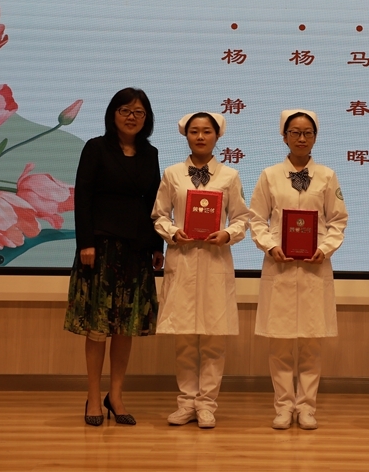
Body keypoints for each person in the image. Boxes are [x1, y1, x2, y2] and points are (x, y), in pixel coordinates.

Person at [64, 87, 164, 426]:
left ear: (147, 118)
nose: (132, 117)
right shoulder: (96, 148)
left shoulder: (150, 153)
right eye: (125, 110)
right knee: (98, 327)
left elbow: (155, 202)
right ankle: (93, 396)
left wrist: (157, 245)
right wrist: (86, 243)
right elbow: (83, 197)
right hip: (101, 249)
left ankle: (116, 395)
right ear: (113, 114)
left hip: (137, 250)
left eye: (139, 112)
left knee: (126, 327)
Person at [249, 110, 348, 431]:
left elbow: (338, 220)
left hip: (314, 268)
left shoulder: (328, 176)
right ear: (284, 137)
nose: (302, 138)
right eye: (295, 132)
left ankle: (306, 407)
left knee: (310, 343)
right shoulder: (269, 175)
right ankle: (283, 406)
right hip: (279, 267)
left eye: (308, 133)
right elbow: (256, 219)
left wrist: (325, 248)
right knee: (279, 343)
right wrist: (270, 245)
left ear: (315, 138)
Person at [152, 112, 250, 429]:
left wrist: (227, 234)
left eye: (207, 131)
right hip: (182, 260)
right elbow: (159, 215)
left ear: (217, 136)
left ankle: (207, 404)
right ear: (186, 136)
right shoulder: (172, 174)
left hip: (214, 262)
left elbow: (242, 219)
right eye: (194, 131)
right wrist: (172, 232)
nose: (200, 137)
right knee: (183, 340)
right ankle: (185, 403)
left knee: (213, 341)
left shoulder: (230, 176)